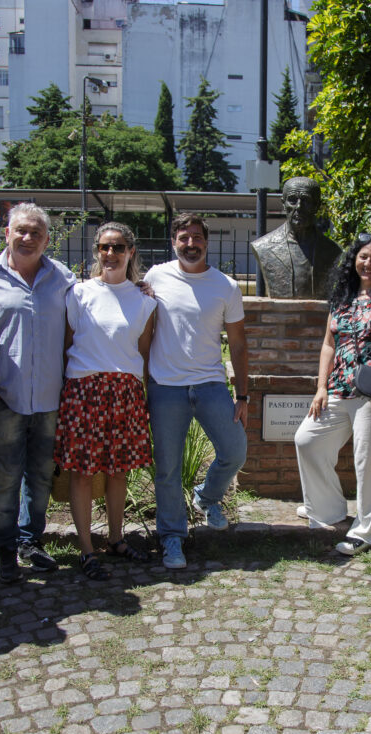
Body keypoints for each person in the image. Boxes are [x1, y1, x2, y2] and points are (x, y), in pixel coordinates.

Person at [0, 203, 75, 581]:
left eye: (37, 233)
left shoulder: (61, 278)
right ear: (6, 233)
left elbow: (97, 298)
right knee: (5, 478)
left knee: (41, 476)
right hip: (2, 397)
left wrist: (140, 286)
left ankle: (31, 540)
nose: (28, 238)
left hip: (48, 398)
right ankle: (5, 549)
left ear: (47, 239)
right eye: (21, 231)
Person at [296, 233, 371, 555]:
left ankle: (367, 531)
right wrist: (320, 387)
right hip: (340, 387)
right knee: (308, 440)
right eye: (363, 257)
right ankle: (327, 509)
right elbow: (328, 344)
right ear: (353, 260)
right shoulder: (342, 296)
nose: (368, 263)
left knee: (368, 462)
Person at [145, 213, 249, 569]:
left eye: (197, 237)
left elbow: (238, 344)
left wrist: (243, 395)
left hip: (210, 384)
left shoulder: (226, 286)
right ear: (173, 241)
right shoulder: (155, 277)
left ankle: (206, 497)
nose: (191, 244)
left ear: (207, 241)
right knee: (168, 469)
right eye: (183, 237)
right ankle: (172, 538)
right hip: (166, 387)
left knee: (234, 451)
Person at [55, 223, 157, 580]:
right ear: (96, 251)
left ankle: (116, 539)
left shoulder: (145, 299)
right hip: (84, 391)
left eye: (117, 247)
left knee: (118, 471)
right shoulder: (79, 293)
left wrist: (134, 394)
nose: (110, 254)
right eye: (103, 247)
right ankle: (86, 549)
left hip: (125, 392)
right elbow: (68, 344)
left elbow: (142, 354)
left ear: (130, 251)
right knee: (82, 474)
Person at [251, 176, 343, 299]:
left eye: (306, 201)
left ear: (317, 205)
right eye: (292, 200)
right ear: (283, 204)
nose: (299, 207)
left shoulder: (332, 250)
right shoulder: (263, 247)